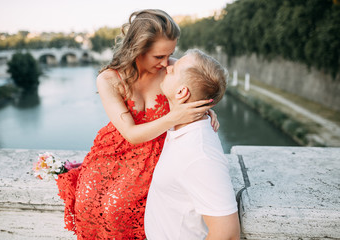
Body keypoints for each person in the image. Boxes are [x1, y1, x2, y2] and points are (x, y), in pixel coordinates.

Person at [56, 9, 219, 239]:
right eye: (158, 56)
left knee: (120, 211)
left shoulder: (172, 69)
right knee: (88, 202)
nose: (166, 63)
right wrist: (177, 116)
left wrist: (204, 109)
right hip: (113, 152)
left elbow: (199, 88)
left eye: (170, 54)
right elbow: (131, 133)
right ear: (137, 50)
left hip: (155, 155)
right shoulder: (109, 79)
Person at [144, 49, 241, 240]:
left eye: (174, 68)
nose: (167, 66)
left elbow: (228, 234)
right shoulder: (182, 127)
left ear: (182, 92)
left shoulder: (199, 155)